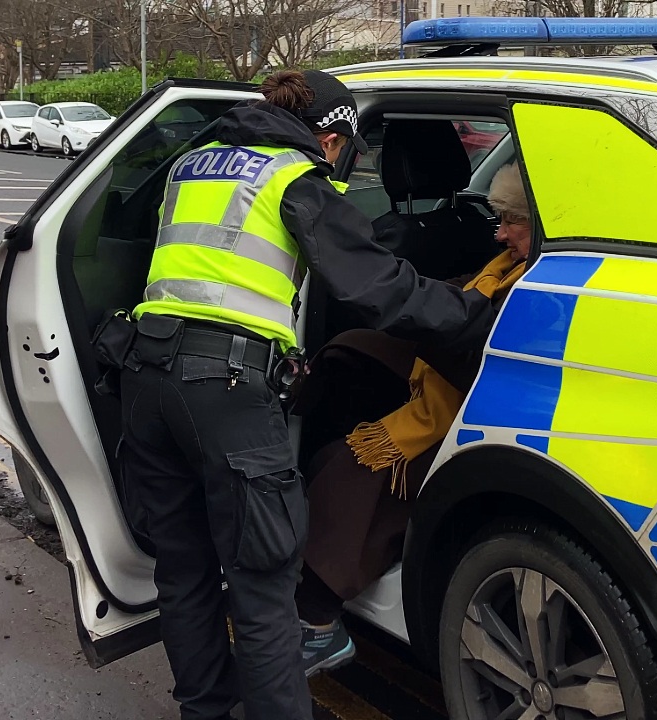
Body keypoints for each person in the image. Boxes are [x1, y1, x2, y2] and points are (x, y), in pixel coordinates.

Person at [115, 70, 497, 720]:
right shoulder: (295, 178)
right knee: (265, 592)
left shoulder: (195, 164)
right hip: (227, 390)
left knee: (184, 571)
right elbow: (379, 289)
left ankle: (205, 712)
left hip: (146, 378)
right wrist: (480, 316)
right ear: (332, 137)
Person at [292, 163, 533, 666]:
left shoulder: (535, 285)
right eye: (498, 218)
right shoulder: (506, 265)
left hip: (475, 411)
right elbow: (467, 299)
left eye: (513, 221)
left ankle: (317, 619)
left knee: (353, 468)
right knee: (346, 353)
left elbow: (474, 340)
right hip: (454, 381)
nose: (499, 232)